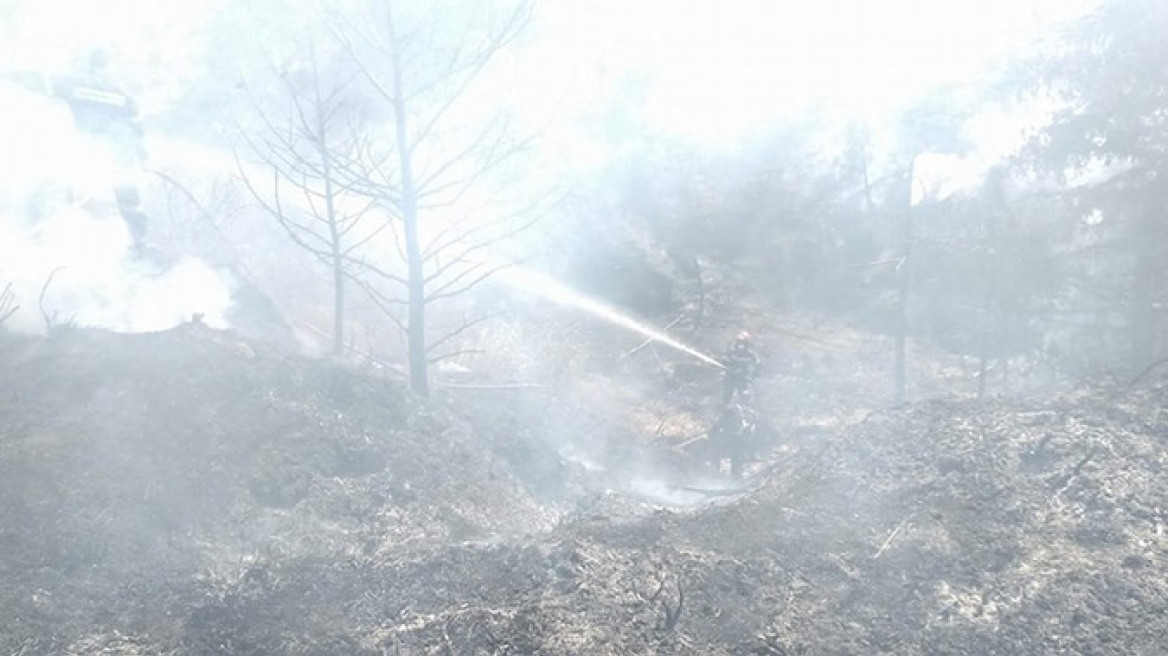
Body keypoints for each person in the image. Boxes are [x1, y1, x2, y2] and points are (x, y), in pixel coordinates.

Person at [722, 330, 761, 405]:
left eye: (743, 343)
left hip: (742, 379)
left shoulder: (750, 355)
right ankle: (725, 409)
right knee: (726, 396)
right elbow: (724, 360)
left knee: (744, 394)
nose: (740, 345)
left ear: (747, 344)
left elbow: (757, 364)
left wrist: (753, 375)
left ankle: (745, 409)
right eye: (739, 342)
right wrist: (727, 364)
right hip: (730, 377)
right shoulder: (731, 352)